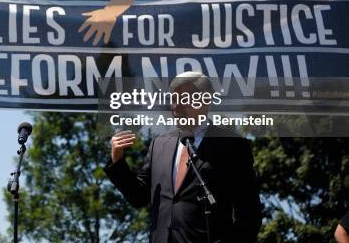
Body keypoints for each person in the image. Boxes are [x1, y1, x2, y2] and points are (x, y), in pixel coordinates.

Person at [104, 71, 262, 243]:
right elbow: (139, 196)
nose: (176, 107)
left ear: (206, 101)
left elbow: (249, 214)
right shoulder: (159, 145)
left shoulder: (232, 145)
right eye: (173, 100)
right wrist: (117, 160)